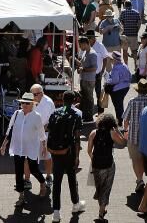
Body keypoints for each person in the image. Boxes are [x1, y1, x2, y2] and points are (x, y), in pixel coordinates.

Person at [1, 92, 47, 207]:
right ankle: (21, 195)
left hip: (31, 147)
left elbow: (42, 134)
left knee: (33, 168)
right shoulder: (17, 114)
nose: (24, 105)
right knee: (18, 171)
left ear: (32, 104)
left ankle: (42, 183)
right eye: (22, 103)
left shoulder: (36, 116)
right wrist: (4, 144)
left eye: (27, 103)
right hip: (18, 147)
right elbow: (9, 129)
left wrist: (44, 147)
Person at [47, 91, 85, 223]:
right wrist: (77, 156)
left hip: (55, 152)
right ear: (74, 100)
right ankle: (75, 204)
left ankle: (56, 212)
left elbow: (49, 129)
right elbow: (77, 137)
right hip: (69, 152)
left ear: (62, 98)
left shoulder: (55, 113)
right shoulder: (77, 114)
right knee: (71, 178)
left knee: (56, 182)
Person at [88, 113, 127, 221]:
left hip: (96, 164)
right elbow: (123, 143)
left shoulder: (93, 133)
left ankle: (101, 203)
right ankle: (101, 213)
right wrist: (118, 130)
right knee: (106, 188)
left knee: (100, 187)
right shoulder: (112, 133)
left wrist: (94, 159)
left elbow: (89, 150)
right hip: (108, 164)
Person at [123, 79, 147, 194]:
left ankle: (139, 180)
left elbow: (125, 119)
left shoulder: (132, 101)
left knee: (136, 160)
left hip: (134, 135)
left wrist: (126, 130)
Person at [26, 84, 55, 189]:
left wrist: (41, 129)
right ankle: (27, 180)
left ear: (42, 93)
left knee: (47, 157)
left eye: (35, 94)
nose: (33, 96)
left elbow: (52, 120)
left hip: (44, 133)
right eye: (32, 94)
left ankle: (48, 176)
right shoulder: (29, 101)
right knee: (27, 158)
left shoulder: (48, 103)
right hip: (31, 134)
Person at [104, 51, 131, 126]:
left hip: (117, 90)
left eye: (111, 59)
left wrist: (107, 80)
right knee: (120, 104)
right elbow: (130, 76)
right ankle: (120, 120)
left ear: (114, 60)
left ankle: (119, 122)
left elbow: (114, 81)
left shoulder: (115, 68)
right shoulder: (124, 65)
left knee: (117, 106)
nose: (109, 60)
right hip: (125, 87)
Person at [75, 36, 97, 122]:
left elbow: (94, 68)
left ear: (85, 44)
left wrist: (83, 69)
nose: (80, 47)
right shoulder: (85, 52)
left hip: (89, 80)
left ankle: (89, 117)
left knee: (89, 98)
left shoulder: (92, 53)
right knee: (84, 98)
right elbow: (83, 63)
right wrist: (78, 64)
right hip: (84, 79)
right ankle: (85, 115)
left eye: (80, 45)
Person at [119, 0, 141, 66]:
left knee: (125, 51)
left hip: (125, 35)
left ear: (125, 5)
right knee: (134, 51)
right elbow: (139, 23)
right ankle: (136, 65)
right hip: (134, 34)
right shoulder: (136, 12)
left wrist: (121, 31)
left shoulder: (123, 12)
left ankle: (126, 65)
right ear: (131, 5)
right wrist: (137, 30)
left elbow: (120, 23)